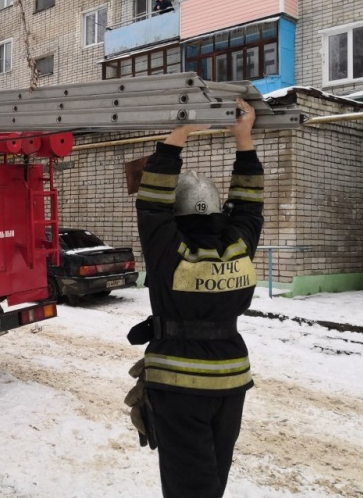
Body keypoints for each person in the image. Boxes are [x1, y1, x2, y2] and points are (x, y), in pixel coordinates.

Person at [130, 98, 263, 498]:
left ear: (176, 214)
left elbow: (151, 201)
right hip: (232, 382)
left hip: (179, 385)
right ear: (219, 209)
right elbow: (250, 201)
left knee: (189, 485)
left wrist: (180, 134)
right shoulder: (238, 245)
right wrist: (244, 137)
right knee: (213, 479)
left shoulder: (170, 250)